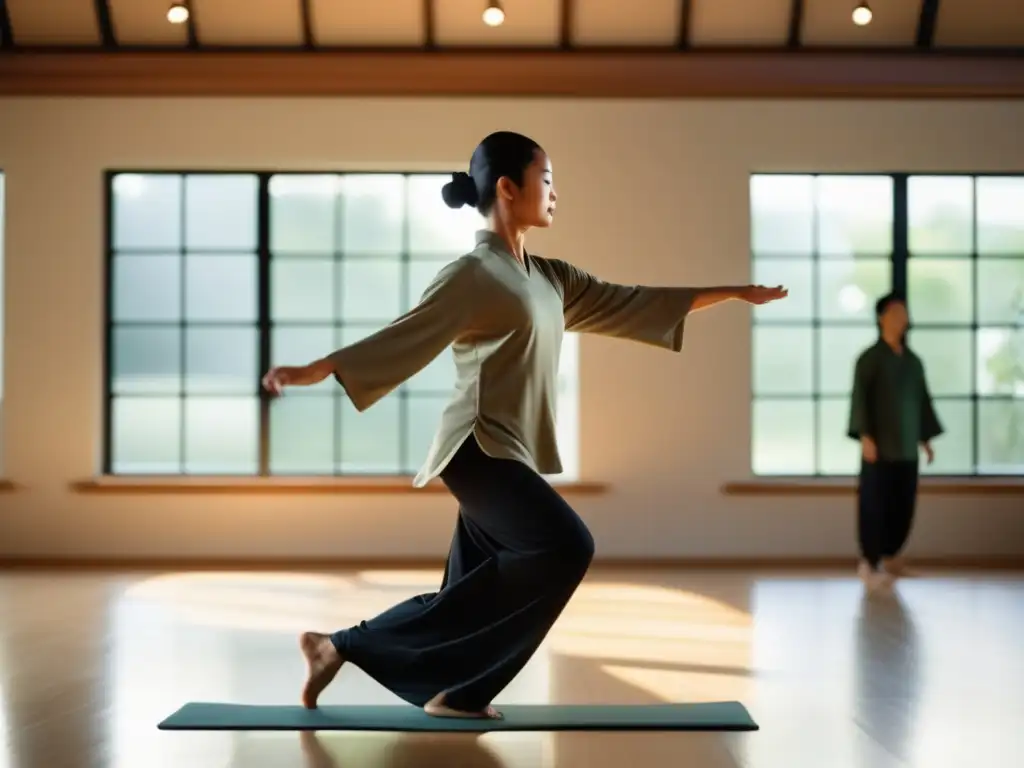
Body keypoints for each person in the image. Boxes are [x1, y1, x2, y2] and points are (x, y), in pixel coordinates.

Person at [261, 131, 789, 719]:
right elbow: (405, 335)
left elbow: (634, 301)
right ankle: (347, 647)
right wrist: (316, 369)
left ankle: (440, 687)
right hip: (476, 447)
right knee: (567, 547)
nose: (556, 192)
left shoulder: (550, 279)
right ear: (508, 189)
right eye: (547, 178)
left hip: (508, 453)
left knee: (466, 593)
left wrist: (734, 293)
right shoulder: (472, 275)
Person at [847, 293, 943, 591]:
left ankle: (890, 557)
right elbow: (860, 400)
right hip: (879, 449)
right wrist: (865, 436)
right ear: (882, 318)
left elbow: (922, 402)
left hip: (906, 448)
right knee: (875, 505)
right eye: (896, 312)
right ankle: (869, 561)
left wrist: (925, 439)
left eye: (905, 312)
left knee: (903, 506)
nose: (903, 318)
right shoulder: (870, 359)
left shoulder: (913, 362)